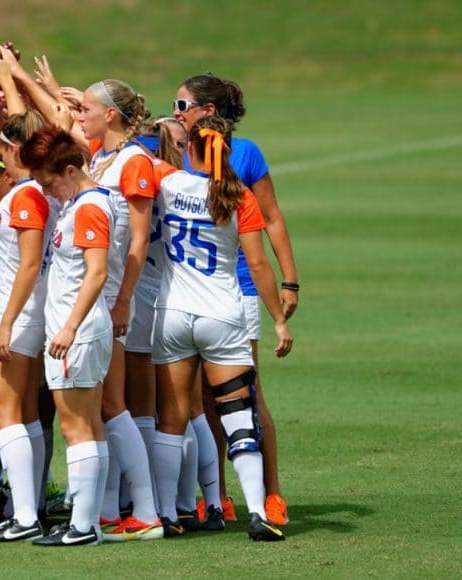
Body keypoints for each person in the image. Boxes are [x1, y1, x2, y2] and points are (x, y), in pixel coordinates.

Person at [149, 115, 293, 542]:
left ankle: (164, 514)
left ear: (188, 147)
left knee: (172, 419)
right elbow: (258, 264)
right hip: (222, 318)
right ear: (228, 149)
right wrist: (279, 320)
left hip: (171, 313)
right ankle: (256, 512)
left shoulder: (168, 183)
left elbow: (134, 150)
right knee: (237, 416)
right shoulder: (238, 197)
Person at [19, 127, 113, 547]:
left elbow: (97, 271)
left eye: (50, 182)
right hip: (80, 330)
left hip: (77, 332)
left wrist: (70, 326)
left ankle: (81, 526)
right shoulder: (81, 203)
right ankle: (87, 521)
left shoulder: (89, 207)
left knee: (77, 427)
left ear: (71, 170)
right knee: (89, 425)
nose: (49, 191)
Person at [78, 79, 163, 540]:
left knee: (112, 404)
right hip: (100, 291)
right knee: (103, 404)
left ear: (110, 115)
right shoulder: (99, 156)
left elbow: (138, 238)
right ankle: (109, 509)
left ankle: (147, 511)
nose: (81, 114)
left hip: (112, 294)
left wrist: (124, 300)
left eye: (87, 108)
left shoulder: (133, 163)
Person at [0, 111, 54, 543]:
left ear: (13, 150)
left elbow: (27, 264)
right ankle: (29, 507)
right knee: (24, 416)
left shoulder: (25, 198)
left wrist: (4, 322)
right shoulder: (39, 194)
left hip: (17, 316)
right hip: (29, 315)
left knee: (5, 415)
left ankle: (24, 515)